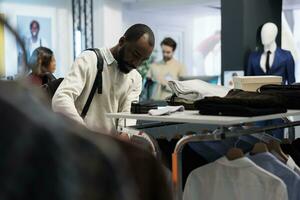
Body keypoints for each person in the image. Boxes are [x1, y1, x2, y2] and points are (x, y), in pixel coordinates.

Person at [52, 24, 155, 136]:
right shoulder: (89, 59)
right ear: (121, 41)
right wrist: (85, 133)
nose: (136, 64)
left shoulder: (135, 78)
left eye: (143, 60)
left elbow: (127, 115)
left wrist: (126, 134)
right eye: (135, 55)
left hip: (110, 148)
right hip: (80, 143)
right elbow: (61, 99)